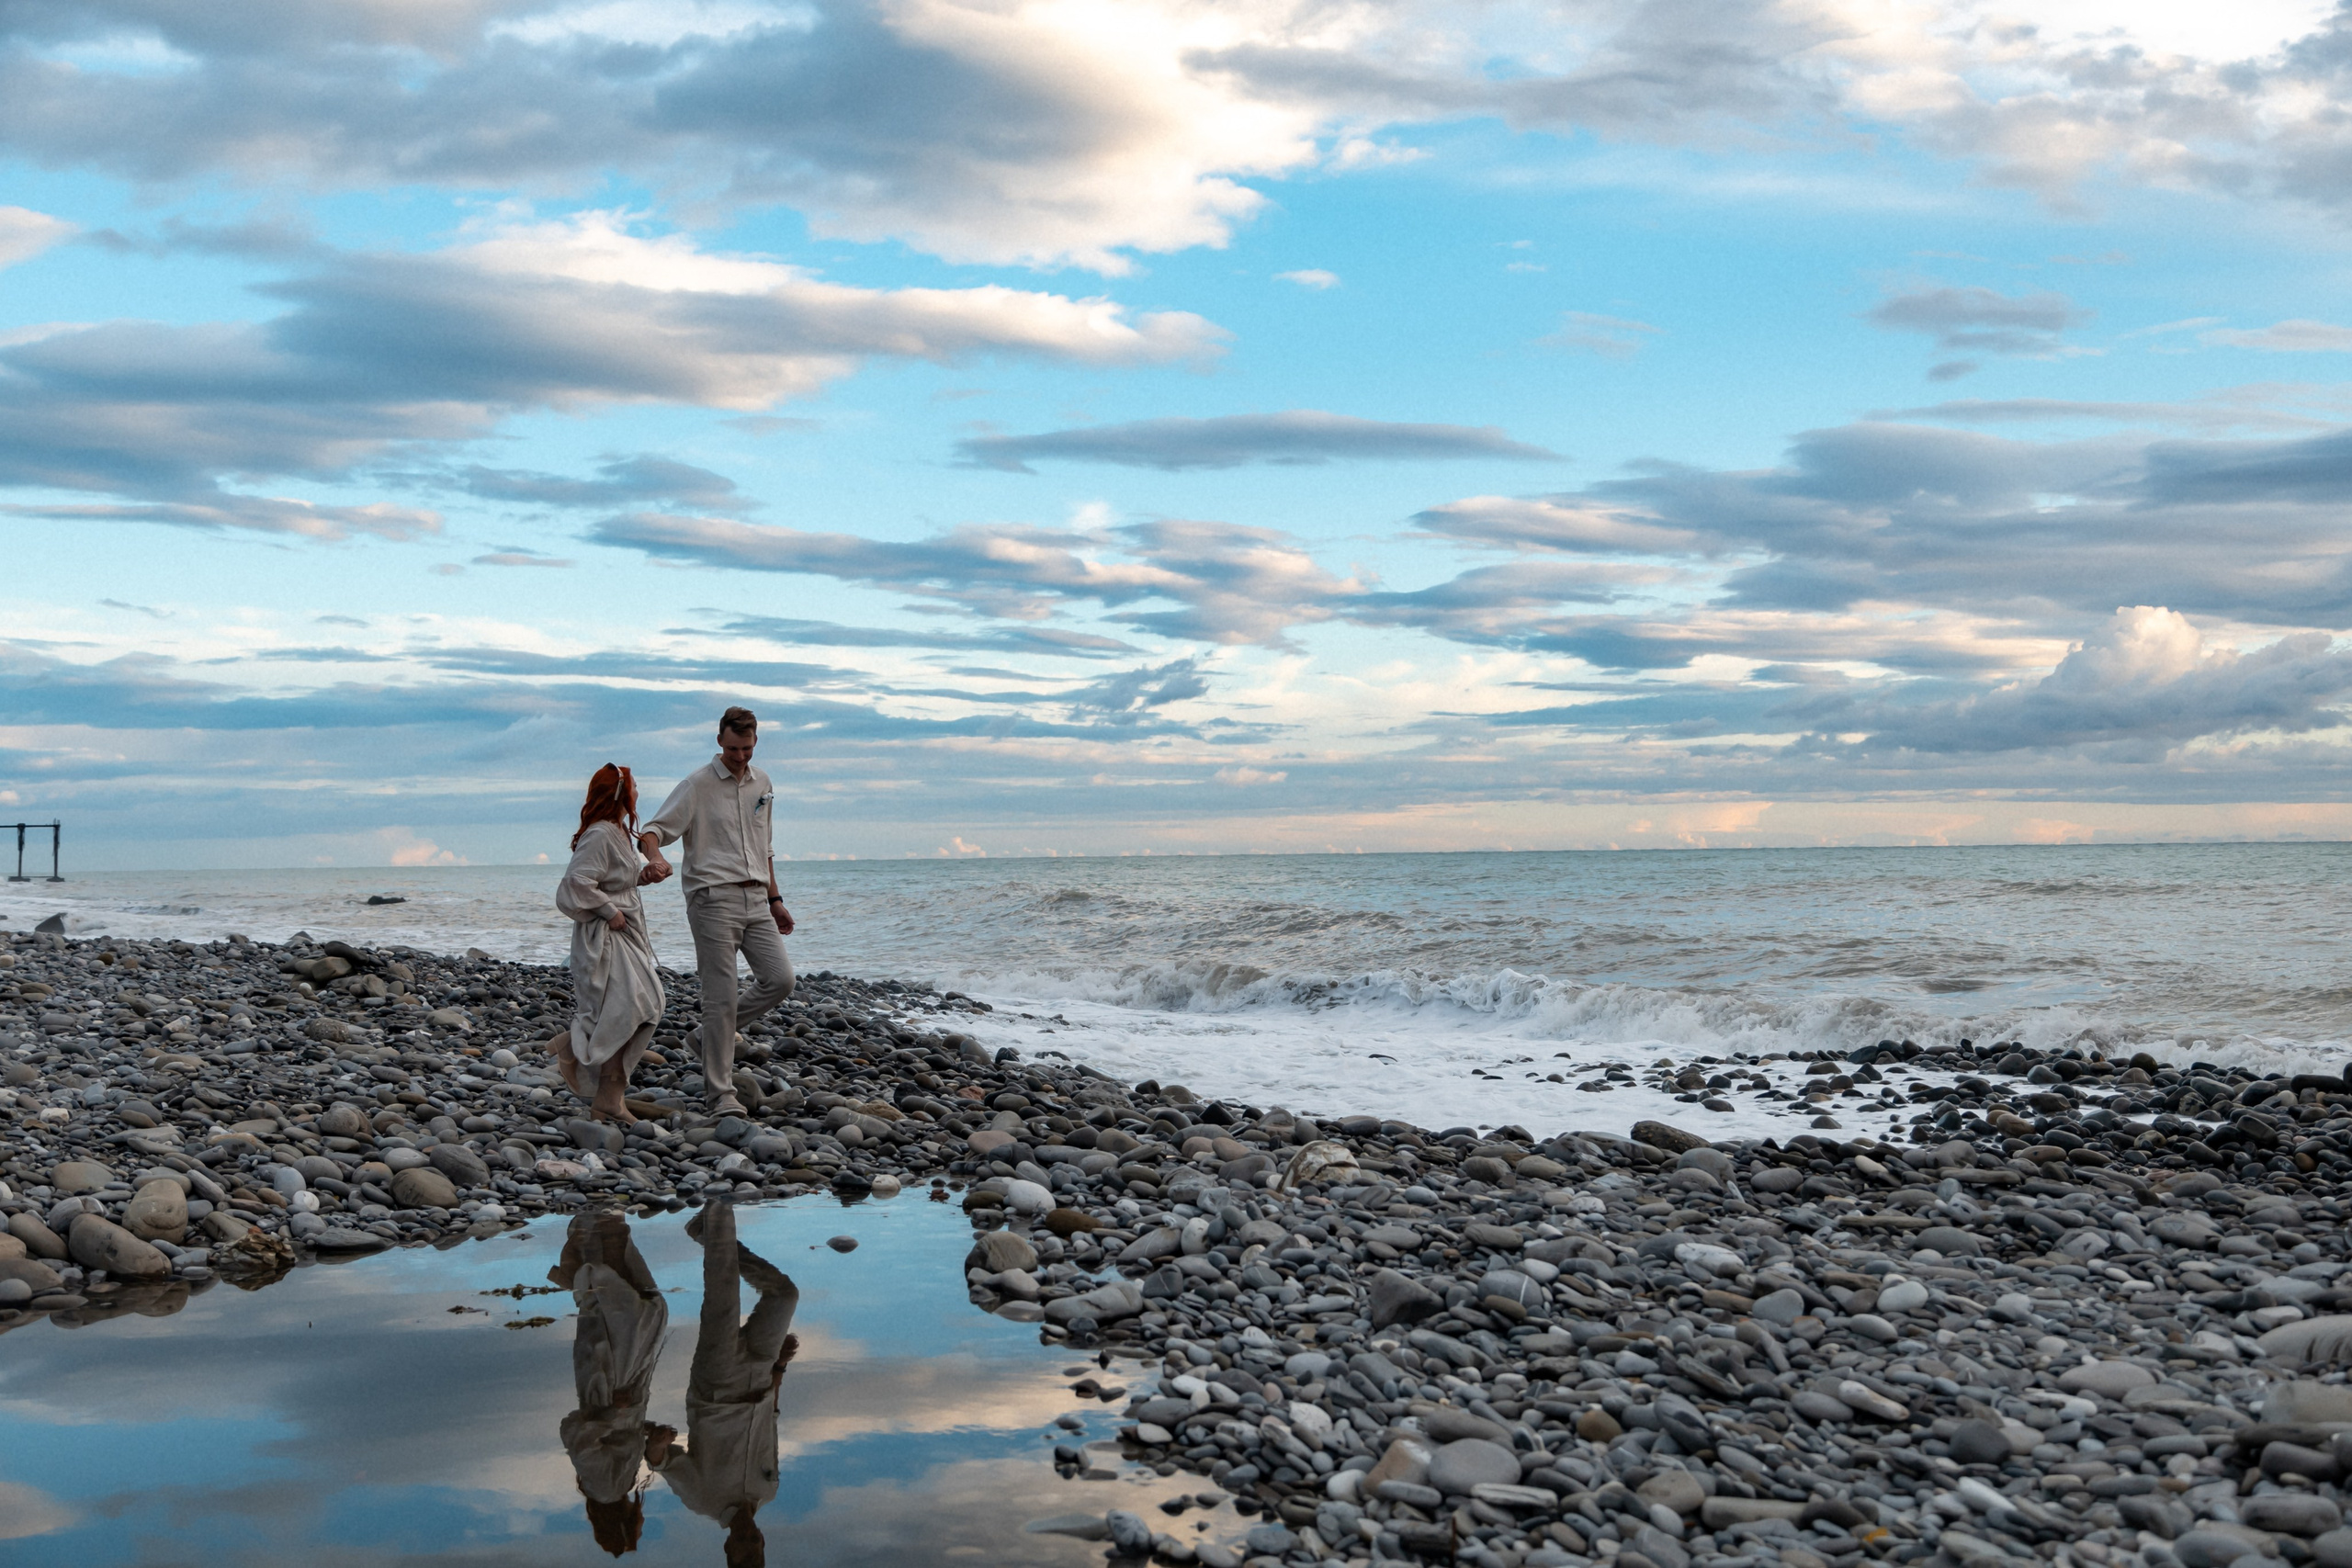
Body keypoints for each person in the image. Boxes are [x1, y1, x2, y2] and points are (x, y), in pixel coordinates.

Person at [638, 707, 794, 1116]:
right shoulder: (696, 785)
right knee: (720, 998)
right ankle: (720, 1095)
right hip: (712, 900)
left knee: (780, 980)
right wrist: (655, 859)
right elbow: (652, 831)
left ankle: (708, 1039)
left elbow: (766, 846)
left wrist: (776, 900)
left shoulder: (764, 782)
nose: (740, 756)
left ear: (756, 741)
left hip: (757, 899)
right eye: (732, 748)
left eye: (746, 748)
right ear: (719, 742)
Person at [648, 1198, 799, 1568]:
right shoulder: (769, 1490)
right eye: (757, 1546)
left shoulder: (702, 1499)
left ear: (729, 1551)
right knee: (784, 1296)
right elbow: (771, 1425)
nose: (750, 1539)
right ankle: (705, 1230)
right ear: (763, 1542)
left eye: (744, 1548)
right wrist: (779, 1366)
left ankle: (719, 1202)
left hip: (716, 1387)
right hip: (762, 1376)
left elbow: (661, 1463)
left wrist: (656, 1443)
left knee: (723, 1295)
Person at [551, 1212, 670, 1557]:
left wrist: (612, 1413)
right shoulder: (615, 1487)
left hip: (610, 1384)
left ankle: (601, 1224)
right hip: (623, 1387)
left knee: (628, 1312)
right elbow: (613, 1439)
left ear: (624, 1523)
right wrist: (647, 1430)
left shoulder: (605, 1488)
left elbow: (577, 1436)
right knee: (635, 1310)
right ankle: (602, 1224)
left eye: (638, 1527)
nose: (642, 1521)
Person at [551, 763, 665, 1122]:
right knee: (630, 1010)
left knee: (647, 1006)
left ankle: (598, 1080)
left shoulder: (617, 831)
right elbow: (575, 883)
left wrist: (644, 876)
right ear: (619, 793)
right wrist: (607, 910)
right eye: (633, 786)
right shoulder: (600, 833)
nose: (637, 792)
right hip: (606, 935)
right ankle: (607, 1098)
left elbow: (616, 880)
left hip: (625, 930)